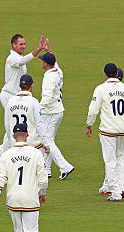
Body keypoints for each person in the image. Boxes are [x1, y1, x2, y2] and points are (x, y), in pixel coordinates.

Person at [86, 63, 124, 202]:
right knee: (121, 158)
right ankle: (123, 187)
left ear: (105, 74)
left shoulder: (100, 89)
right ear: (117, 73)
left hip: (108, 131)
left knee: (110, 161)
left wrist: (89, 124)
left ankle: (115, 192)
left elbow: (93, 110)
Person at [0, 34, 48, 162]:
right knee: (14, 123)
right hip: (8, 96)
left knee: (14, 123)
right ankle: (4, 152)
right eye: (21, 44)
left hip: (16, 95)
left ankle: (0, 151)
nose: (24, 46)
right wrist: (38, 49)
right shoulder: (12, 58)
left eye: (24, 44)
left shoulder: (18, 57)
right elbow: (23, 61)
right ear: (13, 45)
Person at [38, 52, 75, 180]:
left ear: (46, 64)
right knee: (49, 140)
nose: (41, 62)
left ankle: (65, 166)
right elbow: (56, 64)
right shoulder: (58, 72)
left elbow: (47, 97)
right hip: (58, 111)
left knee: (47, 141)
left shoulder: (49, 78)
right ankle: (46, 169)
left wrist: (38, 109)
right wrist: (48, 51)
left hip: (50, 113)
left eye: (43, 60)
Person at [4, 75, 49, 154]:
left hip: (16, 143)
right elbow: (39, 124)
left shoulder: (10, 102)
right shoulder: (34, 102)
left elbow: (7, 125)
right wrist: (45, 143)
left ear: (19, 86)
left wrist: (11, 140)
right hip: (33, 145)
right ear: (32, 86)